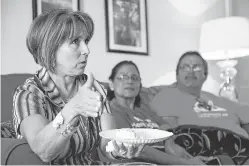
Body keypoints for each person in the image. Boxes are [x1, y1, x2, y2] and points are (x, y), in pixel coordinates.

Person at [12, 9, 143, 165]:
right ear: (49, 48)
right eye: (75, 41)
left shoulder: (94, 88)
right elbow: (43, 151)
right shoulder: (29, 94)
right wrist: (72, 109)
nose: (86, 50)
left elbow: (106, 146)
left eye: (86, 41)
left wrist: (120, 149)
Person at [150, 51, 249, 165]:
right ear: (177, 74)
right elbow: (169, 132)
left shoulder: (219, 99)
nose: (191, 71)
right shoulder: (166, 96)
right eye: (185, 67)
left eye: (196, 67)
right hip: (210, 155)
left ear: (205, 74)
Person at [106, 60, 213, 165]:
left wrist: (169, 143)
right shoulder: (111, 111)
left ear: (139, 84)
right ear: (111, 84)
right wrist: (184, 163)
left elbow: (165, 126)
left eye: (134, 78)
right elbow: (137, 149)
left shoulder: (144, 108)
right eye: (123, 77)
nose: (129, 81)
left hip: (172, 155)